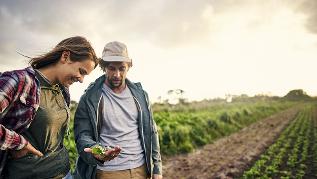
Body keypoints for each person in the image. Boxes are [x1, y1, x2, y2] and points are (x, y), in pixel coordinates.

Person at [0, 36, 99, 179]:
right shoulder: (20, 80)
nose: (81, 79)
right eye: (81, 71)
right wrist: (18, 143)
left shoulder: (62, 89)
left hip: (64, 174)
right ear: (65, 56)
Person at [74, 41, 162, 179]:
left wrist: (157, 168)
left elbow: (151, 130)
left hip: (142, 169)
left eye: (122, 68)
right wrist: (96, 152)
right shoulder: (89, 98)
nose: (117, 74)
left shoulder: (140, 95)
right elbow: (83, 135)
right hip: (108, 171)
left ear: (128, 67)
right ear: (103, 67)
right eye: (111, 68)